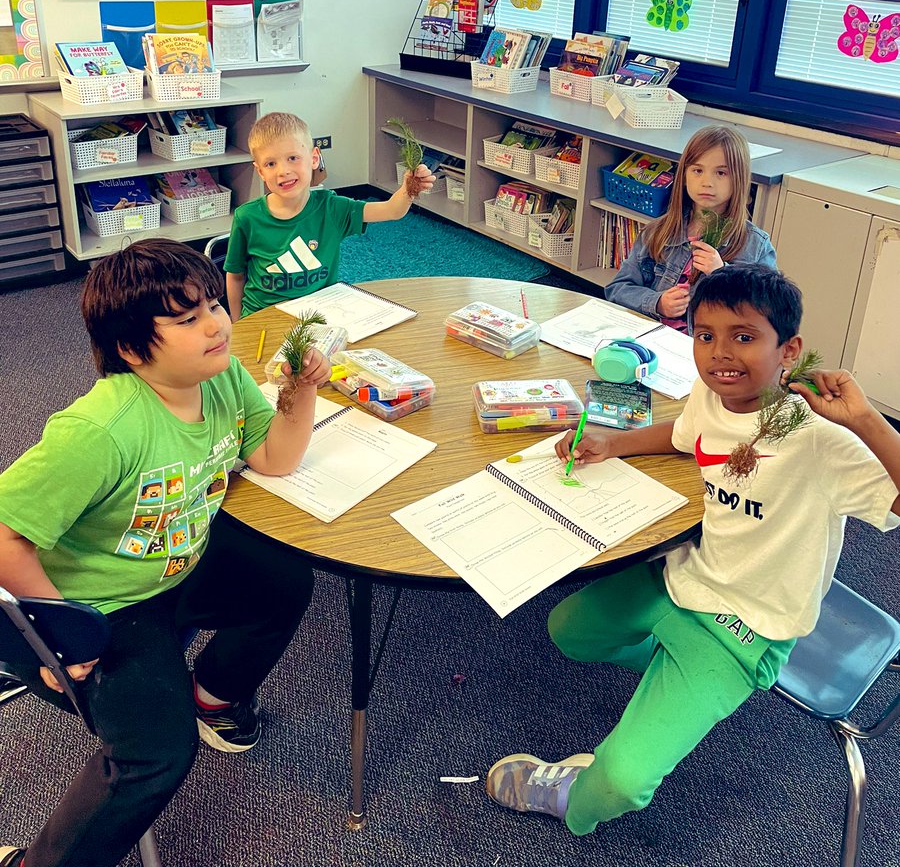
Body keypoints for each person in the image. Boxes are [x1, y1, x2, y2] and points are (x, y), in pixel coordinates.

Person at [485, 265, 900, 836]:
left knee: (623, 781)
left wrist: (870, 424)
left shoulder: (822, 443)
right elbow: (686, 433)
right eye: (705, 335)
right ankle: (670, 683)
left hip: (743, 629)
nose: (720, 353)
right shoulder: (712, 394)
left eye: (744, 336)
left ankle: (569, 794)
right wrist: (616, 443)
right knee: (569, 629)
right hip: (682, 576)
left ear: (790, 349)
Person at [0, 240, 329, 867]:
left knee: (284, 580)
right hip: (105, 607)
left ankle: (215, 694)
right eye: (186, 318)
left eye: (212, 304)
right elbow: (2, 534)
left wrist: (299, 392)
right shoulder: (99, 431)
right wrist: (64, 633)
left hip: (179, 558)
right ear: (130, 348)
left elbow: (275, 459)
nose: (216, 323)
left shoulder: (223, 375)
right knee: (155, 754)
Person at [224, 111, 436, 318]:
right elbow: (235, 276)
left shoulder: (331, 207)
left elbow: (391, 210)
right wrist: (237, 327)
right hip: (263, 318)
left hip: (319, 315)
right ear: (260, 171)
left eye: (293, 158)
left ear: (314, 158)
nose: (283, 171)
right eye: (271, 164)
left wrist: (409, 189)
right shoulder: (247, 217)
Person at [604, 125, 776, 331]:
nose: (707, 182)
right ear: (684, 176)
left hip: (710, 354)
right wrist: (657, 302)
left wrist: (722, 274)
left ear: (738, 179)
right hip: (652, 342)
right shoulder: (657, 232)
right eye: (697, 170)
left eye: (721, 173)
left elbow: (769, 311)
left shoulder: (756, 245)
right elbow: (618, 289)